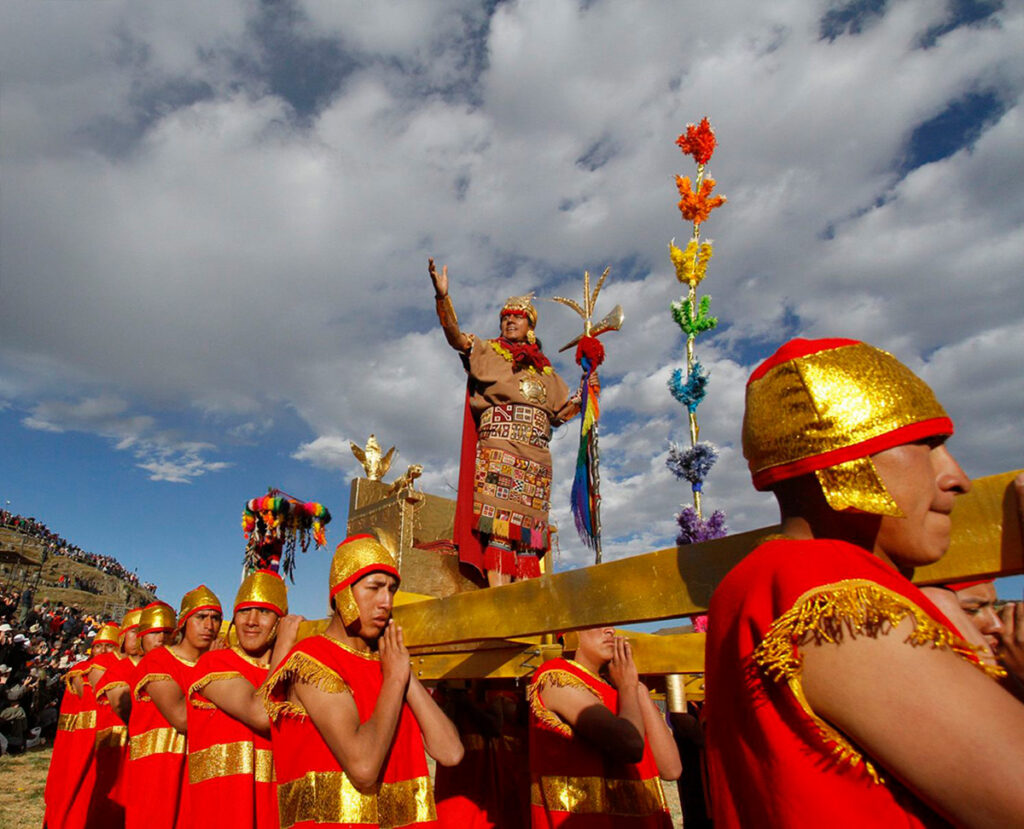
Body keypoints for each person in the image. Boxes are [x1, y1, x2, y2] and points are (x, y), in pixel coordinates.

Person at [704, 337, 1024, 826]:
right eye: (926, 446)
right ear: (846, 459)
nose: (957, 478)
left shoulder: (756, 580)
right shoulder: (821, 581)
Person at [262, 533, 464, 827]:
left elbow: (451, 752)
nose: (386, 601)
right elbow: (364, 767)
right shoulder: (312, 659)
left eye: (392, 590)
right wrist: (394, 680)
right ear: (343, 592)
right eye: (374, 588)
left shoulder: (389, 663)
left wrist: (402, 675)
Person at [428, 259, 579, 586]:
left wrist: (587, 395)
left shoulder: (548, 373)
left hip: (536, 459)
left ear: (530, 326)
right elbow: (455, 337)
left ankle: (523, 606)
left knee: (527, 539)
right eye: (505, 317)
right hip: (499, 449)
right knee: (499, 531)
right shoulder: (488, 351)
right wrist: (443, 298)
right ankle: (499, 602)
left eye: (517, 317)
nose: (510, 321)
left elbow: (561, 414)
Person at [527, 627, 680, 827]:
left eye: (612, 624)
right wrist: (627, 687)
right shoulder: (555, 676)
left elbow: (671, 769)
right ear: (570, 632)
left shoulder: (620, 688)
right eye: (598, 623)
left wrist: (637, 688)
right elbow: (630, 745)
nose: (610, 630)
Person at [187, 570, 300, 829]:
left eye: (264, 612)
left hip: (278, 814)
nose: (251, 621)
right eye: (243, 611)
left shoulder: (294, 672)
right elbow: (261, 713)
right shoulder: (213, 663)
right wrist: (284, 645)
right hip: (221, 815)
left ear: (280, 619)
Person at [126, 589, 221, 829]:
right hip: (158, 775)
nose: (209, 625)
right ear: (184, 622)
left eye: (215, 618)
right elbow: (182, 718)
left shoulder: (219, 662)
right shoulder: (158, 661)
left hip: (200, 772)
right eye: (201, 617)